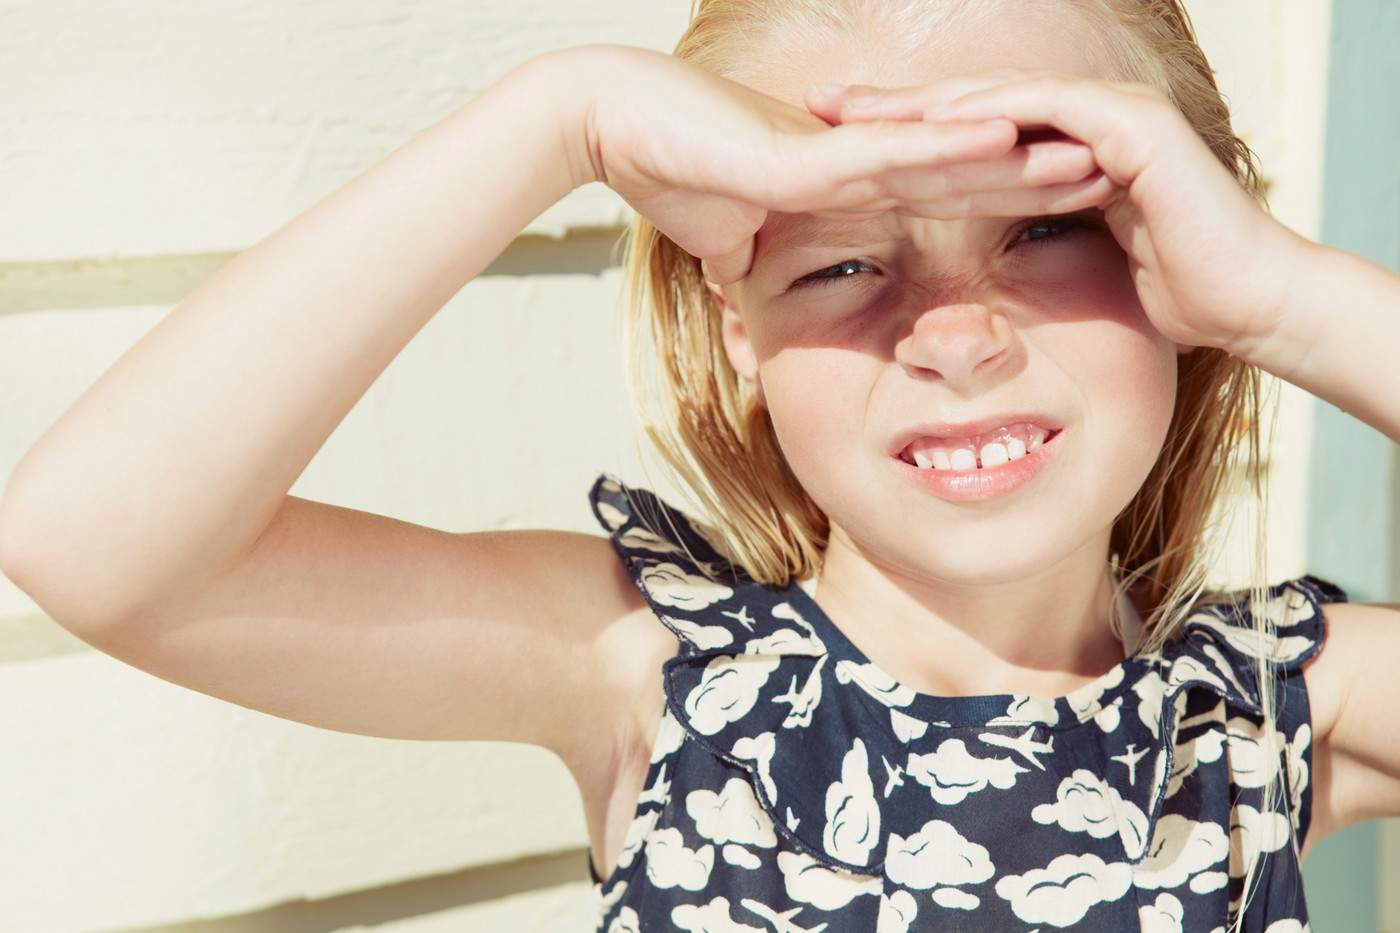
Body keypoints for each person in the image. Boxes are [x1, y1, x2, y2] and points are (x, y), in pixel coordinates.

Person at [2, 0, 1398, 929]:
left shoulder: (1274, 711)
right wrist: (564, 121)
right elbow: (95, 542)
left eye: (1048, 228)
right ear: (737, 330)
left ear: (1181, 250)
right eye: (841, 257)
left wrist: (1289, 297)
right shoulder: (656, 672)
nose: (956, 337)